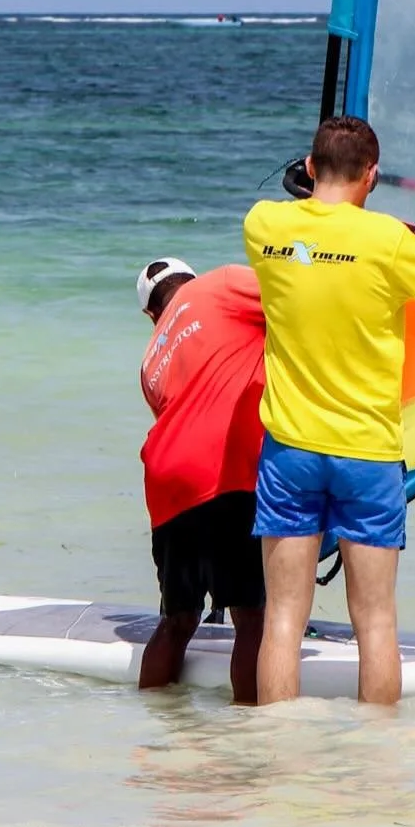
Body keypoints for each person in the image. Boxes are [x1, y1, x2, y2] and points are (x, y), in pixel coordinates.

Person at [242, 116, 415, 706]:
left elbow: (304, 212)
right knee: (375, 622)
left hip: (291, 452)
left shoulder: (262, 224)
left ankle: (279, 752)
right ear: (371, 175)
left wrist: (318, 191)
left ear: (309, 165)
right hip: (367, 455)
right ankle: (373, 768)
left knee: (282, 620)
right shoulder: (390, 242)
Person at [135, 256, 267, 704]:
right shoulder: (224, 284)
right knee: (251, 617)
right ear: (192, 278)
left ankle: (156, 725)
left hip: (166, 480)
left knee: (178, 618)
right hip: (222, 469)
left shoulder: (150, 359)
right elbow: (298, 298)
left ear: (150, 314)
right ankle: (247, 737)